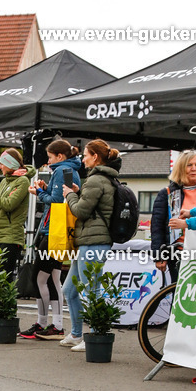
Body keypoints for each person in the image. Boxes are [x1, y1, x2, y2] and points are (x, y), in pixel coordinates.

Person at [61, 139, 120, 351]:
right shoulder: (99, 179)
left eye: (85, 155)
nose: (82, 158)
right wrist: (77, 192)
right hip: (88, 241)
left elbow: (81, 211)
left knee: (91, 290)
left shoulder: (96, 180)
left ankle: (94, 335)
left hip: (93, 242)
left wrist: (69, 195)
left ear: (95, 157)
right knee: (70, 290)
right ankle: (77, 333)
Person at [23, 139, 83, 340]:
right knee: (54, 278)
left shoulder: (62, 169)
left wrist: (39, 192)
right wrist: (46, 188)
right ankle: (56, 324)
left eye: (49, 157)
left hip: (53, 232)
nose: (47, 162)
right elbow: (62, 196)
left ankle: (43, 323)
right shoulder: (70, 169)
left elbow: (57, 201)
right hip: (60, 231)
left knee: (39, 278)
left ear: (59, 156)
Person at [150, 150, 196, 285]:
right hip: (178, 253)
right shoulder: (167, 193)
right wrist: (159, 256)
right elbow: (157, 227)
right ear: (181, 168)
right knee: (180, 296)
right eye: (189, 165)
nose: (194, 169)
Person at [0, 147, 34, 279]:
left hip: (11, 237)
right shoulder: (4, 181)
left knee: (4, 279)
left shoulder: (23, 181)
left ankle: (7, 301)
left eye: (2, 163)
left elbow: (9, 204)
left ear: (10, 164)